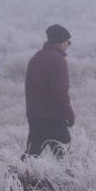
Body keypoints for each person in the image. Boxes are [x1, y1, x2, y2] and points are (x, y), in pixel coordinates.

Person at [22, 24, 75, 160]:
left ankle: (12, 178)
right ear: (60, 42)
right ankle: (68, 182)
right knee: (65, 159)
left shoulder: (36, 58)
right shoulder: (58, 61)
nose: (69, 44)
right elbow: (60, 92)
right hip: (53, 118)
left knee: (31, 155)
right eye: (68, 41)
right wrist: (69, 114)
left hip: (35, 116)